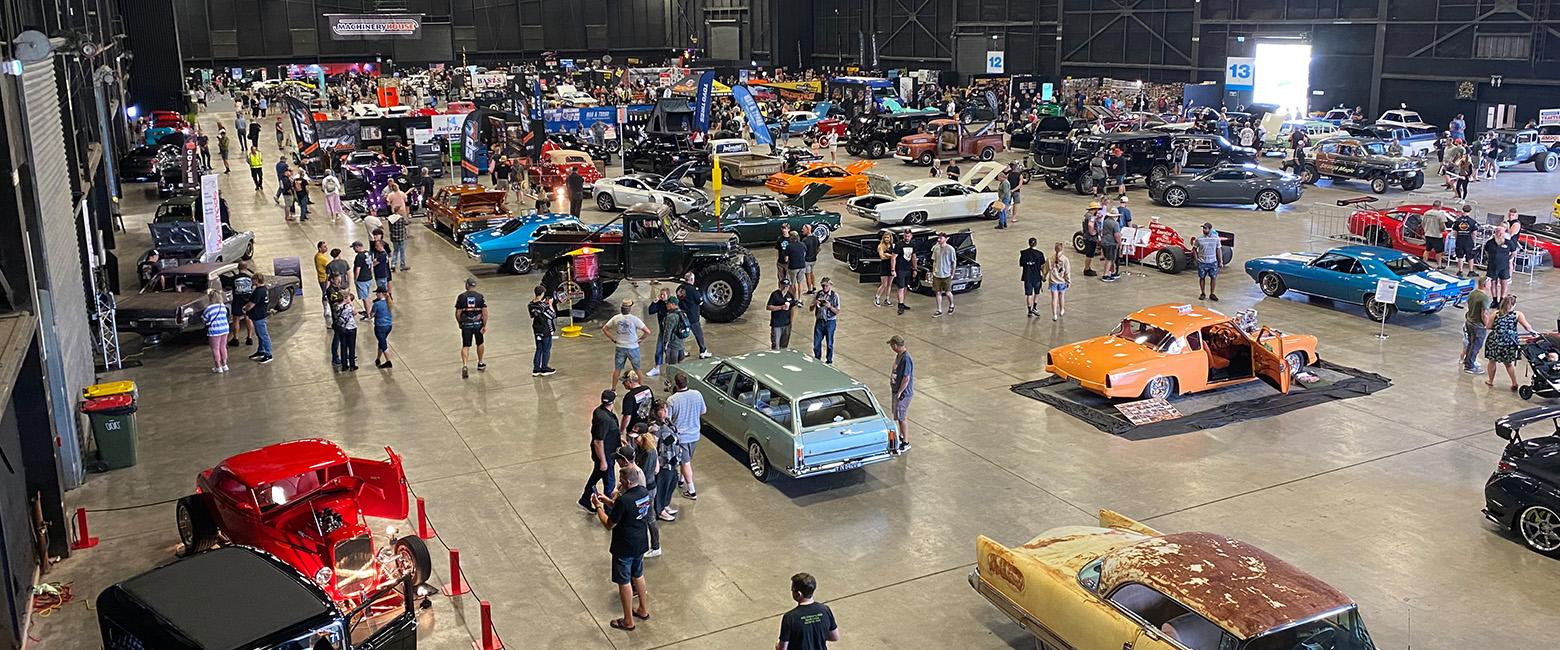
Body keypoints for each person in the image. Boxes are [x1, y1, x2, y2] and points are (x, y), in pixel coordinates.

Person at [591, 464, 652, 631]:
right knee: (638, 574)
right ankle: (642, 609)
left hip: (624, 546)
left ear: (626, 482)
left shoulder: (624, 500)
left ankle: (628, 621)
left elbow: (609, 524)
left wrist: (598, 507)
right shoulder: (643, 493)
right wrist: (609, 502)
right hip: (640, 542)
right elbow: (627, 510)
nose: (619, 483)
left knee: (624, 581)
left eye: (621, 480)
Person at [579, 390, 623, 512]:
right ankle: (609, 512)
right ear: (613, 401)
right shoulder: (606, 419)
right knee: (609, 483)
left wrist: (618, 438)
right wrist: (603, 461)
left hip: (604, 453)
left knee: (595, 476)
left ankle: (585, 499)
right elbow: (598, 442)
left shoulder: (599, 411)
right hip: (606, 455)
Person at [666, 372, 706, 500]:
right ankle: (681, 479)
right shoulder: (697, 394)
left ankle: (692, 491)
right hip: (694, 434)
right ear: (687, 382)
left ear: (676, 384)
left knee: (685, 462)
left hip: (681, 437)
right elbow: (703, 411)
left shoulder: (672, 400)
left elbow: (668, 419)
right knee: (686, 461)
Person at [1484, 295, 1535, 391]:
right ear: (1514, 304)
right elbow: (1527, 327)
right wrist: (1533, 332)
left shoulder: (1495, 314)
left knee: (1492, 361)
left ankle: (1490, 380)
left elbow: (1488, 326)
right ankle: (1514, 382)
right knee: (1508, 364)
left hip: (1495, 340)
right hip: (1509, 341)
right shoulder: (1517, 314)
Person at [777, 573, 839, 650]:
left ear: (798, 594)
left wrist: (777, 645)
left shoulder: (790, 617)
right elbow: (835, 637)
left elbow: (782, 648)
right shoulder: (825, 610)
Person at [630, 428, 662, 558]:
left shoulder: (649, 453)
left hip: (647, 489)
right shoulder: (641, 449)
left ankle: (656, 546)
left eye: (636, 437)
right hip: (645, 488)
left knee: (650, 518)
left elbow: (643, 474)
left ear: (644, 437)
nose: (634, 440)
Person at [603, 298, 650, 387]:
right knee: (637, 369)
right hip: (633, 347)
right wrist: (640, 339)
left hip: (620, 346)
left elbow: (605, 329)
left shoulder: (616, 318)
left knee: (617, 369)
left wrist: (613, 339)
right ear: (630, 309)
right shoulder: (635, 319)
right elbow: (647, 331)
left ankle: (613, 388)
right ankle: (641, 387)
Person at [456, 278, 488, 378]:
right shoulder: (480, 297)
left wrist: (460, 322)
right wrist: (484, 325)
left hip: (466, 325)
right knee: (480, 343)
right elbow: (485, 312)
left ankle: (465, 365)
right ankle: (480, 362)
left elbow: (458, 313)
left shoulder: (461, 297)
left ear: (467, 286)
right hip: (478, 324)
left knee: (466, 345)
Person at [887, 335, 913, 453]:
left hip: (902, 393)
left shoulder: (906, 359)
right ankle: (901, 436)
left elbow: (906, 378)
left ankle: (906, 442)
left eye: (892, 345)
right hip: (896, 391)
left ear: (895, 345)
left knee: (902, 417)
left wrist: (900, 392)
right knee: (899, 415)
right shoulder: (899, 356)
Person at [676, 272, 709, 358]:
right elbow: (699, 300)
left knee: (682, 334)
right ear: (691, 280)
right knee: (698, 334)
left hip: (682, 315)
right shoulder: (693, 290)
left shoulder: (680, 288)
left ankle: (681, 351)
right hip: (692, 316)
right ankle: (703, 351)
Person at [1462, 277, 1491, 375]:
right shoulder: (1484, 298)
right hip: (1478, 325)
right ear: (1485, 285)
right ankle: (1470, 366)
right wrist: (1487, 325)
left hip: (1469, 322)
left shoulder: (1472, 293)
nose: (1491, 285)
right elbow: (1485, 313)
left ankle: (1468, 361)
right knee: (1476, 346)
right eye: (1490, 283)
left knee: (1470, 343)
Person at [244, 273, 273, 363]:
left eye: (253, 280)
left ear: (256, 280)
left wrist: (245, 308)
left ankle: (268, 354)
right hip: (259, 315)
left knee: (263, 335)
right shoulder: (264, 289)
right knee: (260, 334)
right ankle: (261, 351)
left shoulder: (258, 291)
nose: (252, 282)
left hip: (259, 316)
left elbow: (251, 304)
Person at [530, 285, 557, 376]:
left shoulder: (531, 305)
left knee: (538, 349)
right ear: (542, 294)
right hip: (545, 329)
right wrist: (550, 304)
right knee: (546, 349)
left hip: (536, 329)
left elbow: (534, 314)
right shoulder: (544, 306)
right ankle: (544, 367)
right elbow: (552, 315)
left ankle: (536, 368)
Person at [811, 278, 839, 363]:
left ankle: (829, 360)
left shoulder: (835, 296)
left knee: (829, 343)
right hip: (819, 321)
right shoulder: (817, 294)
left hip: (830, 322)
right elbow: (810, 309)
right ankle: (817, 359)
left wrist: (830, 307)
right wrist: (815, 303)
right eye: (823, 285)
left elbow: (837, 311)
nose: (825, 287)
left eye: (827, 285)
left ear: (830, 285)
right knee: (816, 344)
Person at [1193, 222, 1222, 301]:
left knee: (1213, 277)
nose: (1203, 230)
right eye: (1203, 228)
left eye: (1205, 228)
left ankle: (1212, 294)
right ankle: (1202, 293)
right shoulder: (1199, 239)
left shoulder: (1216, 238)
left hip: (1213, 262)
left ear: (1210, 229)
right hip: (1202, 262)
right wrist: (1196, 259)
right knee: (1202, 277)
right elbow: (1194, 249)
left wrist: (1220, 261)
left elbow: (1218, 249)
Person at [930, 232, 957, 316]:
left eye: (941, 238)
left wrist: (952, 273)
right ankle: (939, 309)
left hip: (946, 274)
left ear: (946, 239)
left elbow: (953, 262)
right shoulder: (936, 248)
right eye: (938, 238)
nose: (939, 240)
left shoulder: (950, 249)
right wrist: (934, 271)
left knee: (948, 292)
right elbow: (934, 260)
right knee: (938, 292)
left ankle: (951, 304)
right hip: (937, 275)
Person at [203, 289, 230, 373]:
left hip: (215, 330)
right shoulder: (223, 306)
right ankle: (225, 365)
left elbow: (204, 318)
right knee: (223, 347)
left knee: (215, 349)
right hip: (225, 329)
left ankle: (218, 367)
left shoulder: (209, 308)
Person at [1483, 227, 1513, 301]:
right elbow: (1486, 251)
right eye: (1498, 232)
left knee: (1504, 283)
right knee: (1493, 283)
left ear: (1504, 233)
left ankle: (1502, 299)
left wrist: (1508, 259)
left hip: (1504, 266)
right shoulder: (1490, 243)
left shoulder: (1509, 243)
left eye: (1501, 233)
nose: (1500, 234)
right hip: (1492, 266)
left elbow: (1513, 252)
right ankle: (1495, 299)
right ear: (1495, 232)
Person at [1020, 238, 1047, 318]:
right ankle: (1034, 307)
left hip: (1027, 276)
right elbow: (1043, 266)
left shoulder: (1024, 253)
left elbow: (1021, 264)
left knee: (1029, 294)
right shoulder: (1040, 254)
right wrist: (1044, 275)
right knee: (1037, 292)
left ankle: (1029, 311)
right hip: (1037, 276)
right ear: (1036, 244)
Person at [230, 262, 255, 347]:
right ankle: (249, 338)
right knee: (248, 318)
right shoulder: (250, 278)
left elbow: (228, 285)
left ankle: (236, 339)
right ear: (246, 268)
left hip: (237, 300)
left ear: (238, 268)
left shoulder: (234, 278)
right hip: (248, 300)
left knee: (236, 320)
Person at [891, 230, 916, 315]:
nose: (906, 238)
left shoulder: (913, 244)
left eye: (908, 236)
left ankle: (902, 302)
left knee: (905, 287)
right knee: (900, 287)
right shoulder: (899, 245)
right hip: (900, 269)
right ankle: (900, 305)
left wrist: (915, 269)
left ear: (911, 236)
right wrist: (893, 270)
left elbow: (913, 257)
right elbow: (893, 257)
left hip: (908, 268)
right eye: (905, 236)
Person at [768, 277, 797, 349]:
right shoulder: (775, 295)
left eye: (787, 286)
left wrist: (791, 320)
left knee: (784, 345)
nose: (785, 288)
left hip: (786, 323)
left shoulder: (790, 295)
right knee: (775, 344)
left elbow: (792, 308)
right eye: (783, 286)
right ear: (780, 285)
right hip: (777, 323)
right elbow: (769, 307)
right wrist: (780, 307)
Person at [661, 297, 689, 368]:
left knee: (672, 366)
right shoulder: (682, 313)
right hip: (680, 343)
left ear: (672, 304)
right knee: (681, 362)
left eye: (668, 304)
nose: (666, 305)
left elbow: (668, 332)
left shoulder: (671, 317)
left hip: (672, 345)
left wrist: (665, 344)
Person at [1451, 206, 1478, 278]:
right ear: (1470, 211)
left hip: (1460, 240)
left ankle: (1460, 271)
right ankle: (1471, 271)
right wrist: (1472, 240)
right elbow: (1474, 233)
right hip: (1468, 241)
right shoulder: (1472, 221)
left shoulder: (1457, 221)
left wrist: (1457, 239)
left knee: (1460, 256)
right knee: (1470, 256)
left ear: (1462, 210)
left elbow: (1455, 232)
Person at [335, 291, 359, 371]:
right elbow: (355, 312)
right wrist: (351, 303)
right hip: (351, 328)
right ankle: (352, 365)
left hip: (341, 328)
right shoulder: (349, 307)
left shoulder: (337, 306)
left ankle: (344, 365)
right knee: (351, 347)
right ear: (345, 298)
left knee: (343, 346)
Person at [1422, 200, 1449, 269]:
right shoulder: (1440, 214)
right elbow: (1442, 225)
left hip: (1428, 234)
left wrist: (1426, 230)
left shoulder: (1426, 213)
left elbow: (1423, 223)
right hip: (1436, 235)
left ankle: (1424, 263)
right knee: (1438, 252)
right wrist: (1442, 230)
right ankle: (1439, 265)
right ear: (1439, 206)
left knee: (1427, 250)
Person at [1048, 243, 1071, 321]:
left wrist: (1043, 277)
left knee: (1054, 298)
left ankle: (1054, 314)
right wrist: (1068, 281)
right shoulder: (1065, 260)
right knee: (1061, 296)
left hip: (1053, 280)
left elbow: (1045, 269)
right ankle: (1061, 310)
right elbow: (1067, 272)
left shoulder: (1050, 259)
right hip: (1062, 281)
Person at [371, 288, 393, 369]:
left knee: (383, 344)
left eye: (377, 293)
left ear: (381, 294)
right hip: (388, 326)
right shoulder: (389, 302)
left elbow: (371, 315)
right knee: (381, 341)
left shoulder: (377, 304)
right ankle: (378, 358)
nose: (376, 294)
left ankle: (388, 361)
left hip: (380, 326)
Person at [873, 231, 895, 307]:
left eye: (888, 237)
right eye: (885, 237)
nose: (886, 239)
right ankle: (877, 298)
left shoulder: (893, 246)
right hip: (884, 266)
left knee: (889, 284)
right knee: (884, 284)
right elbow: (882, 256)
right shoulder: (881, 246)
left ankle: (887, 299)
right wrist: (891, 256)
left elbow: (895, 255)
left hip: (891, 266)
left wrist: (888, 255)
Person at [1099, 209, 1121, 282]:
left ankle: (1113, 272)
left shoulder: (1106, 221)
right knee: (1110, 259)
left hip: (1104, 241)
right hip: (1111, 243)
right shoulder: (1115, 224)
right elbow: (1117, 235)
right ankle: (1105, 275)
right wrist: (1120, 243)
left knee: (1109, 258)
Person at [1079, 203, 1101, 277]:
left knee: (1089, 254)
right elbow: (1090, 225)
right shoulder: (1091, 217)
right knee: (1090, 254)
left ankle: (1088, 267)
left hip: (1086, 236)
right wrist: (1093, 232)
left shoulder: (1086, 215)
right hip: (1090, 238)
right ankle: (1087, 268)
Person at [785, 233, 808, 299]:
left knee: (793, 283)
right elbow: (804, 254)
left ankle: (794, 298)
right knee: (800, 283)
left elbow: (786, 259)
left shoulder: (789, 246)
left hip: (792, 267)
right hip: (802, 266)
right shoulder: (802, 244)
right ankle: (800, 299)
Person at [801, 224, 821, 294]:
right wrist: (815, 254)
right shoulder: (816, 238)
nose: (802, 230)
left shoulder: (805, 240)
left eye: (803, 229)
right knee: (812, 273)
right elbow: (819, 248)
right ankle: (814, 286)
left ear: (808, 230)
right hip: (814, 260)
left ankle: (809, 289)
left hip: (807, 260)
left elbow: (803, 251)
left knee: (807, 275)